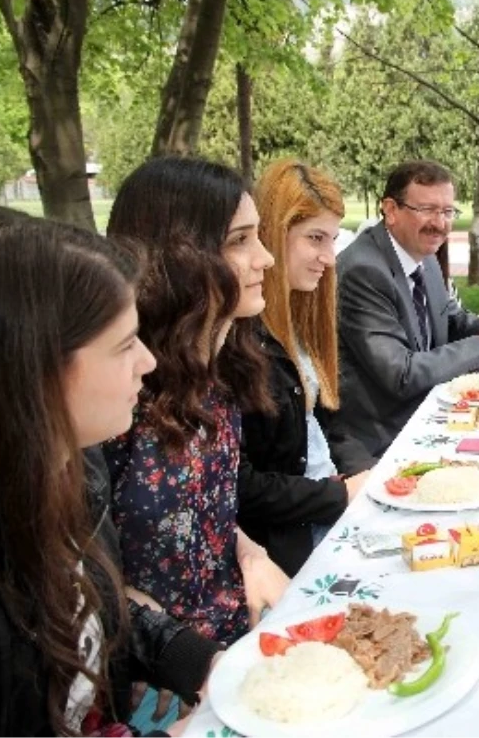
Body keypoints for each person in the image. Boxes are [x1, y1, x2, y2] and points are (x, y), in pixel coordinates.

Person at [0, 209, 221, 738]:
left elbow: (87, 607)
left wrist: (203, 663)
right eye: (123, 345)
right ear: (33, 374)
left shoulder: (71, 463)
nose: (148, 362)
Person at [104, 157, 290, 651]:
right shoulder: (117, 398)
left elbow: (209, 510)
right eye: (240, 240)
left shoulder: (220, 374)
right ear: (180, 256)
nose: (266, 258)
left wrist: (250, 553)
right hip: (163, 680)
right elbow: (81, 578)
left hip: (243, 629)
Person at [337, 160, 479, 457]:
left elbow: (447, 315)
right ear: (390, 210)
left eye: (448, 211)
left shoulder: (421, 252)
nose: (440, 224)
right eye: (427, 210)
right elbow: (401, 374)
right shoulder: (364, 271)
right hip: (384, 437)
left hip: (430, 408)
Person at [240, 159, 375, 576]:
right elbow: (239, 486)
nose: (328, 258)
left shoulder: (299, 319)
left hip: (332, 513)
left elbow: (327, 425)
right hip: (290, 547)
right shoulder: (238, 341)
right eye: (315, 238)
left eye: (333, 239)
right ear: (272, 234)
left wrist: (365, 474)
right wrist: (340, 495)